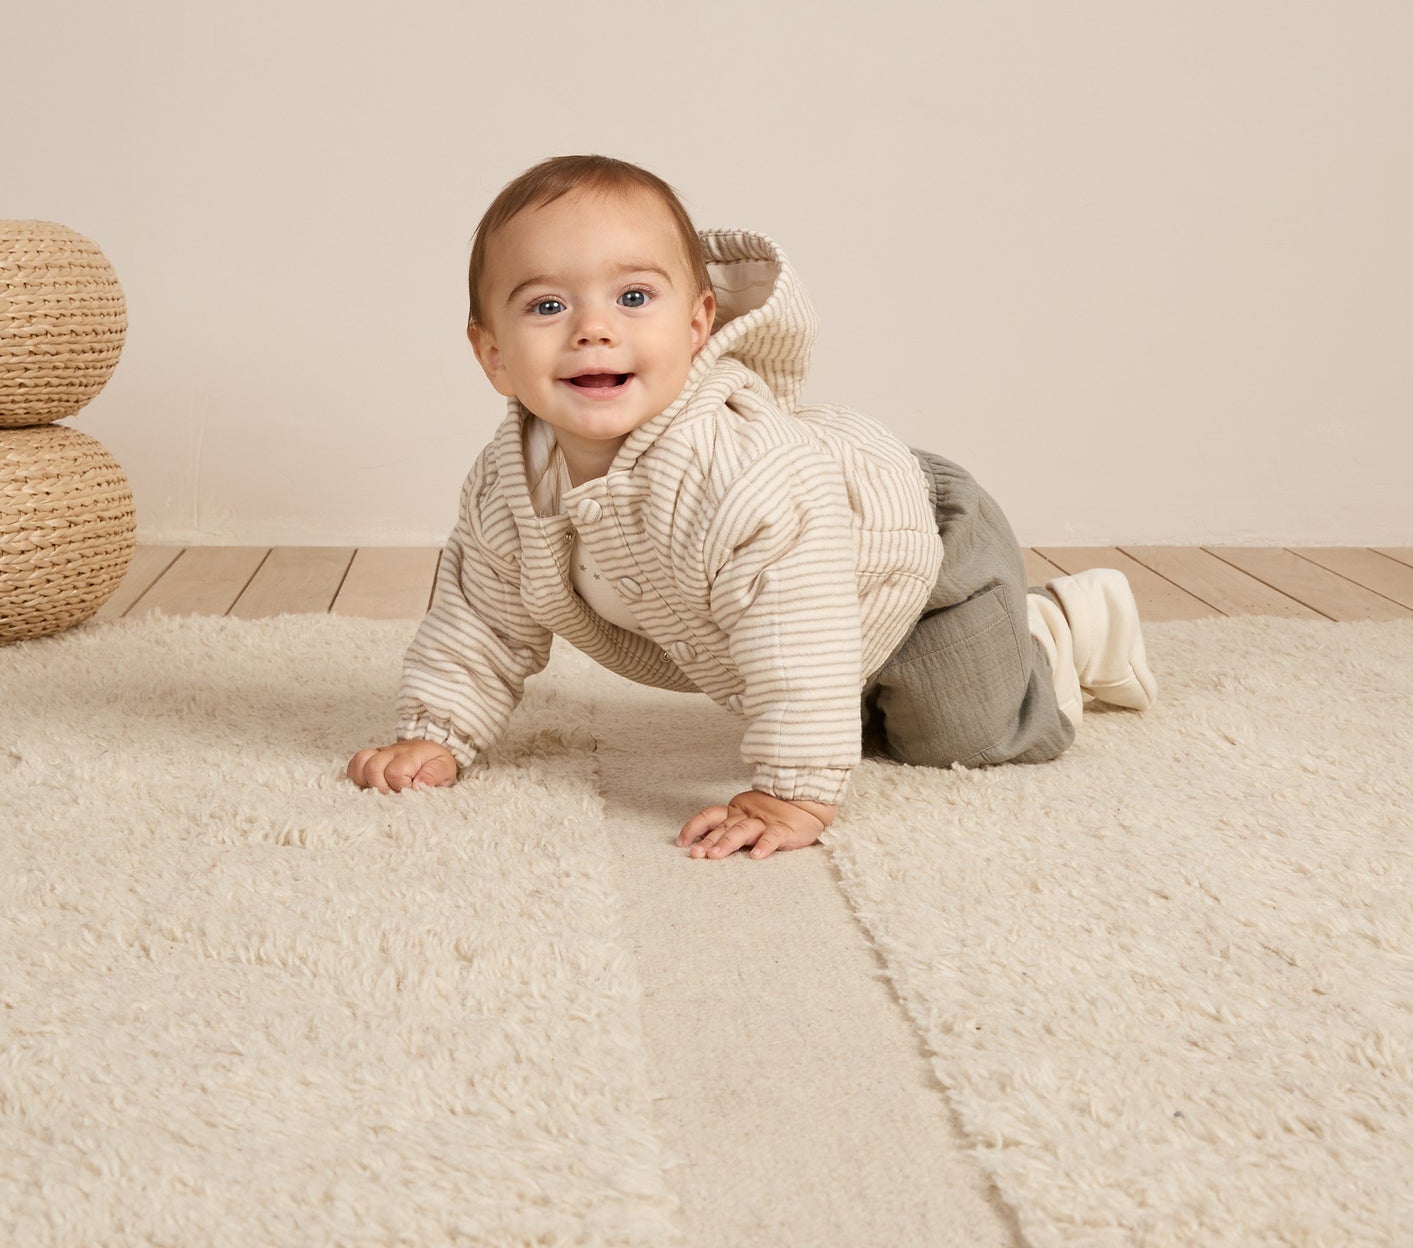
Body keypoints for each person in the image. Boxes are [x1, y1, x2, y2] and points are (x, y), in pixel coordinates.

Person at [346, 154, 1157, 860]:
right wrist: (437, 731)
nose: (593, 329)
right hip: (813, 609)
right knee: (857, 716)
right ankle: (888, 691)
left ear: (699, 324)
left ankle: (1053, 627)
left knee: (963, 738)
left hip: (922, 552)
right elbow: (480, 615)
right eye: (547, 306)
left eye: (633, 297)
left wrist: (793, 791)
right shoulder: (507, 486)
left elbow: (793, 626)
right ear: (492, 354)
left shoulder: (740, 471)